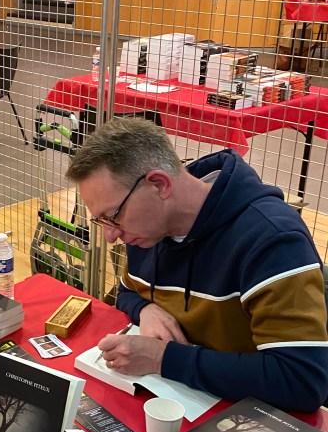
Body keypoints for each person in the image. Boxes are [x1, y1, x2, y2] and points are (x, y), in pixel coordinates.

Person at [66, 117, 328, 412]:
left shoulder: (272, 240)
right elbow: (127, 292)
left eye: (113, 216)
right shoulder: (148, 230)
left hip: (250, 416)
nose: (111, 236)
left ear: (159, 184)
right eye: (101, 220)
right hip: (181, 399)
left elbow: (302, 381)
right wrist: (146, 310)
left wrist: (163, 359)